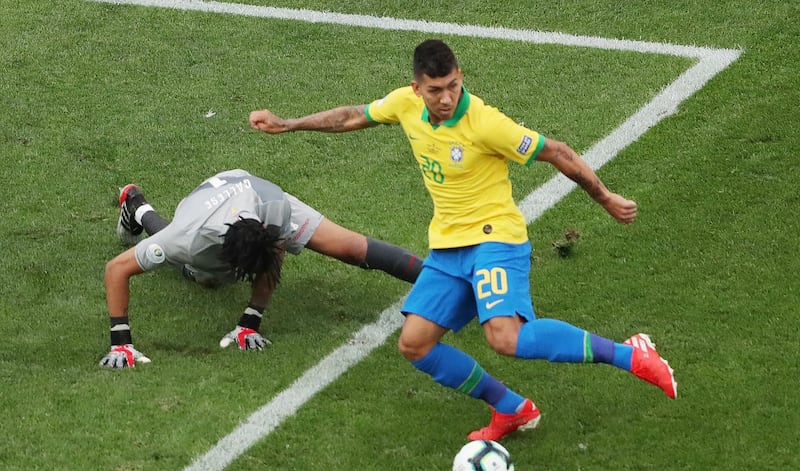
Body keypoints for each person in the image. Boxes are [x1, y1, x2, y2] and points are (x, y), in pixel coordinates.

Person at [249, 39, 677, 441]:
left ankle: (631, 354)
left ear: (460, 77)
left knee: (505, 338)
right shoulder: (404, 104)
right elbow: (352, 116)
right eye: (436, 90)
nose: (447, 97)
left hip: (497, 239)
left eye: (453, 85)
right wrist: (288, 124)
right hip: (449, 248)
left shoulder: (486, 124)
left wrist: (605, 199)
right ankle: (512, 408)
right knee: (414, 344)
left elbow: (559, 152)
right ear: (417, 88)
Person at [100, 168, 423, 368]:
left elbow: (275, 250)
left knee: (350, 248)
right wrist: (121, 343)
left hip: (254, 193)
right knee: (208, 279)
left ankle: (440, 278)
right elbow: (117, 269)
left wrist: (249, 321)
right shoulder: (187, 239)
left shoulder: (273, 212)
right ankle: (136, 205)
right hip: (201, 209)